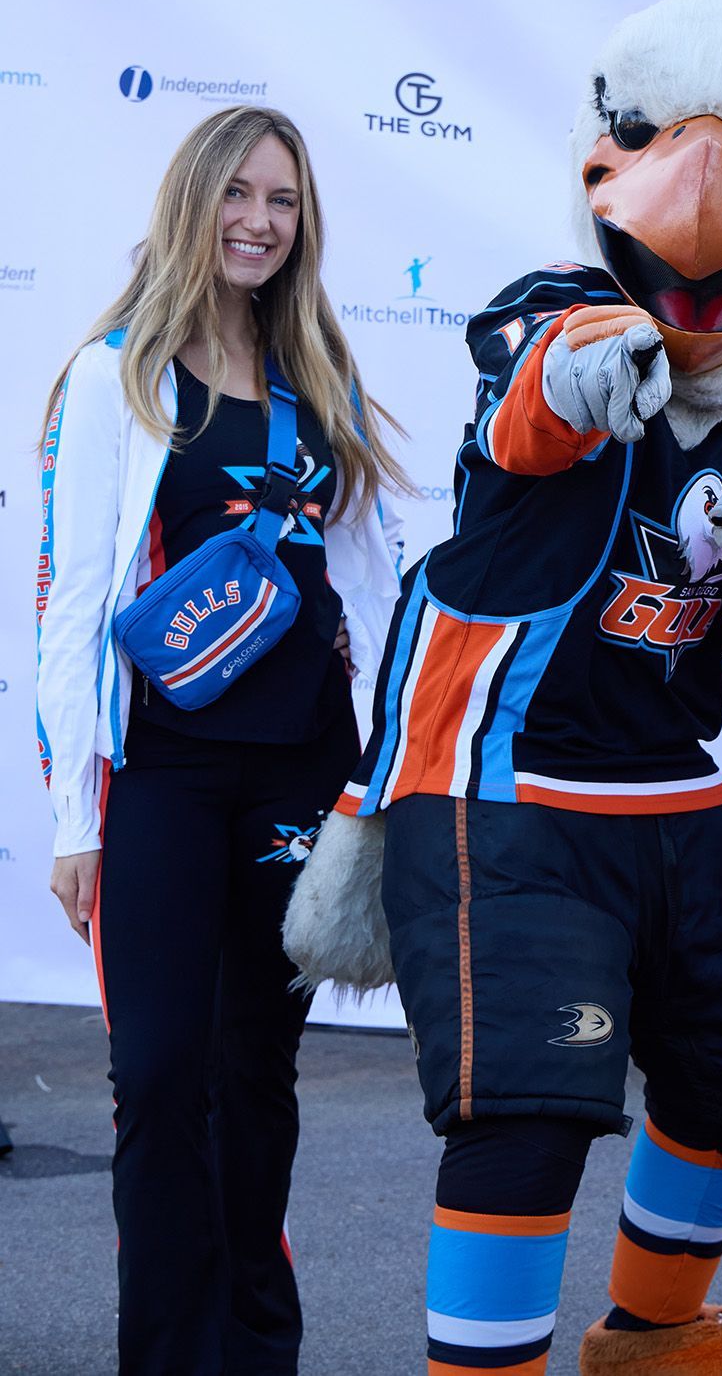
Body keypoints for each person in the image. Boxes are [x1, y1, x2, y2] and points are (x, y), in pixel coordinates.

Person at [305, 0, 722, 1376]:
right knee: (527, 1114)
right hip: (506, 782)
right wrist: (587, 371)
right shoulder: (556, 310)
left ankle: (651, 1340)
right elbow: (528, 411)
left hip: (669, 785)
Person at [36, 105, 407, 1375]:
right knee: (156, 1075)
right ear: (192, 202)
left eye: (283, 200)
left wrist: (388, 769)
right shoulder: (118, 375)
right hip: (163, 774)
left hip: (301, 766)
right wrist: (74, 818)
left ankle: (255, 1348)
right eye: (239, 194)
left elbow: (372, 585)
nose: (259, 221)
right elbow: (72, 603)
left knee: (256, 1072)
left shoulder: (320, 375)